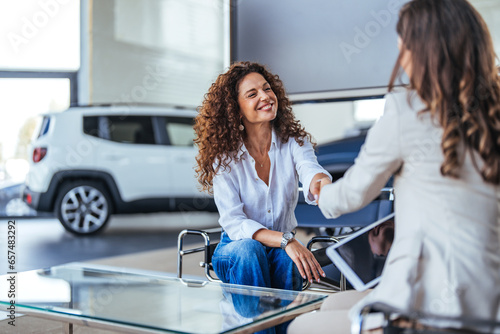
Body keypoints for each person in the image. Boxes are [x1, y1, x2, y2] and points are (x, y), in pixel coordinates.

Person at [289, 0, 500, 333]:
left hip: (433, 309)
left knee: (301, 326)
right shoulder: (493, 110)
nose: (401, 59)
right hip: (488, 301)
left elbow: (350, 196)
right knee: (331, 303)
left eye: (404, 48)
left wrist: (321, 192)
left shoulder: (409, 109)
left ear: (425, 51)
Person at [194, 62, 330, 332]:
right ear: (236, 109)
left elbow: (311, 170)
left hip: (280, 246)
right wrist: (286, 240)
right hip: (236, 249)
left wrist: (321, 183)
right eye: (252, 94)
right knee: (250, 251)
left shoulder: (294, 142)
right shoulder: (226, 158)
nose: (265, 96)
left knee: (287, 258)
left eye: (267, 89)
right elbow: (234, 222)